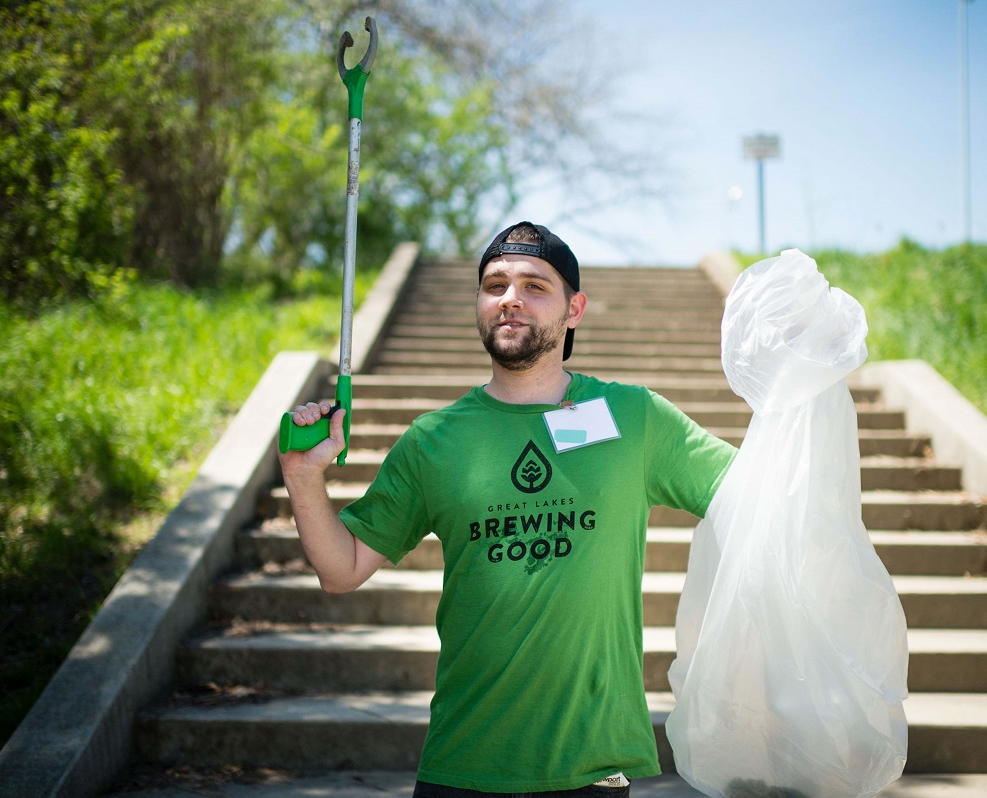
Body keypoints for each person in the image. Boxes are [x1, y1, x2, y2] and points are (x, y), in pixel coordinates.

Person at [278, 222, 738, 796]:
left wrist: (801, 406)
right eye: (494, 284)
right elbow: (340, 569)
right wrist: (302, 476)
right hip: (462, 767)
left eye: (534, 286)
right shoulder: (434, 440)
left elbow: (750, 491)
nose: (510, 298)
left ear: (575, 309)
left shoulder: (631, 417)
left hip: (591, 768)